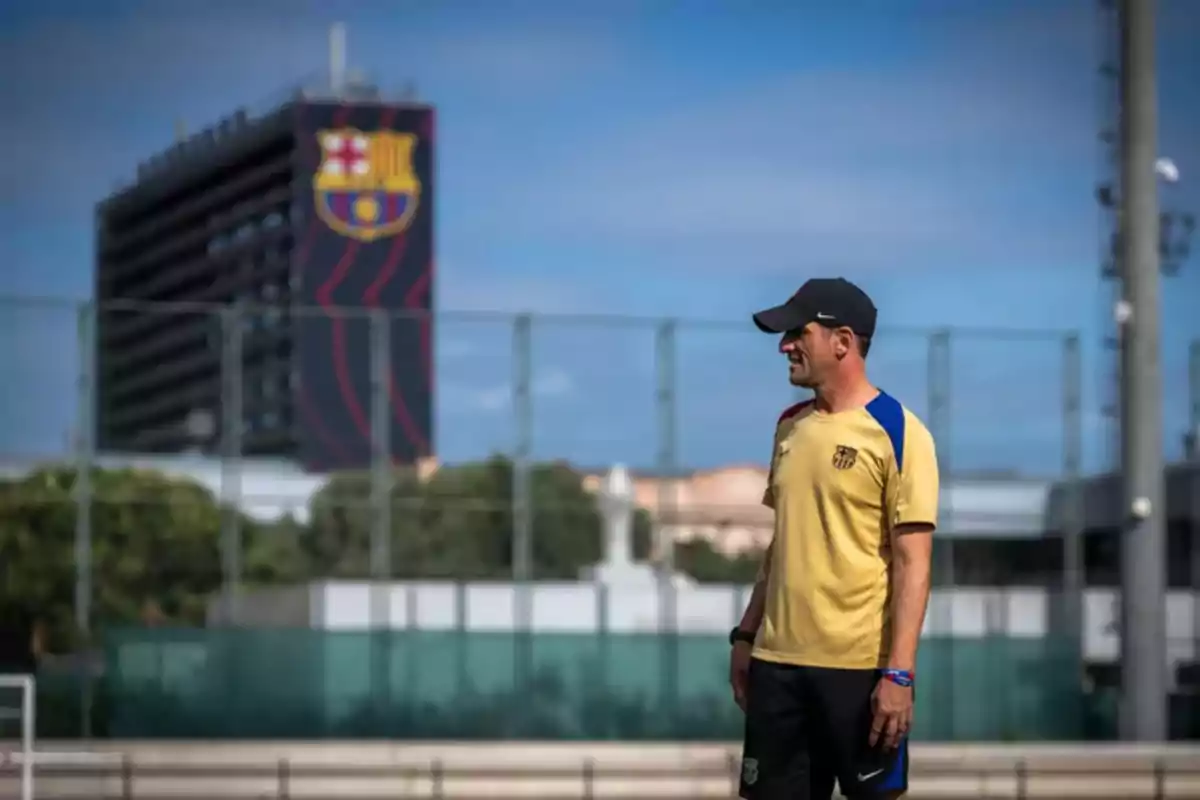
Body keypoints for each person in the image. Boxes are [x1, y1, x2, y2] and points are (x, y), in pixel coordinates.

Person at [730, 278, 938, 800]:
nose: (785, 346)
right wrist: (746, 636)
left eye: (798, 333)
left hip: (860, 673)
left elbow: (915, 565)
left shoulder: (900, 432)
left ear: (842, 342)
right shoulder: (789, 427)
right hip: (776, 668)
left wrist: (900, 674)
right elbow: (781, 547)